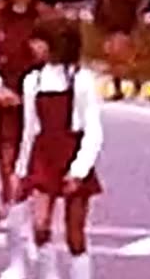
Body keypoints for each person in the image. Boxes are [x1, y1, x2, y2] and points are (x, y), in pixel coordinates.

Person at [14, 17, 103, 279]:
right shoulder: (33, 81)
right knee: (40, 225)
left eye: (39, 41)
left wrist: (79, 170)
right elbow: (30, 129)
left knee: (74, 232)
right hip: (44, 156)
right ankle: (48, 275)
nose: (32, 46)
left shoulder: (80, 79)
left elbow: (93, 130)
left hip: (72, 151)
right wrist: (21, 171)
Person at [0, 0, 54, 278]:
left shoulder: (45, 19)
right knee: (10, 177)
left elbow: (58, 58)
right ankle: (15, 259)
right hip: (7, 107)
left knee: (37, 178)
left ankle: (37, 241)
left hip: (40, 108)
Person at [95, 0, 142, 100]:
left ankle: (130, 83)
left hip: (122, 19)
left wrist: (131, 17)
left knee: (119, 54)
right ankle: (124, 84)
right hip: (109, 18)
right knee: (112, 55)